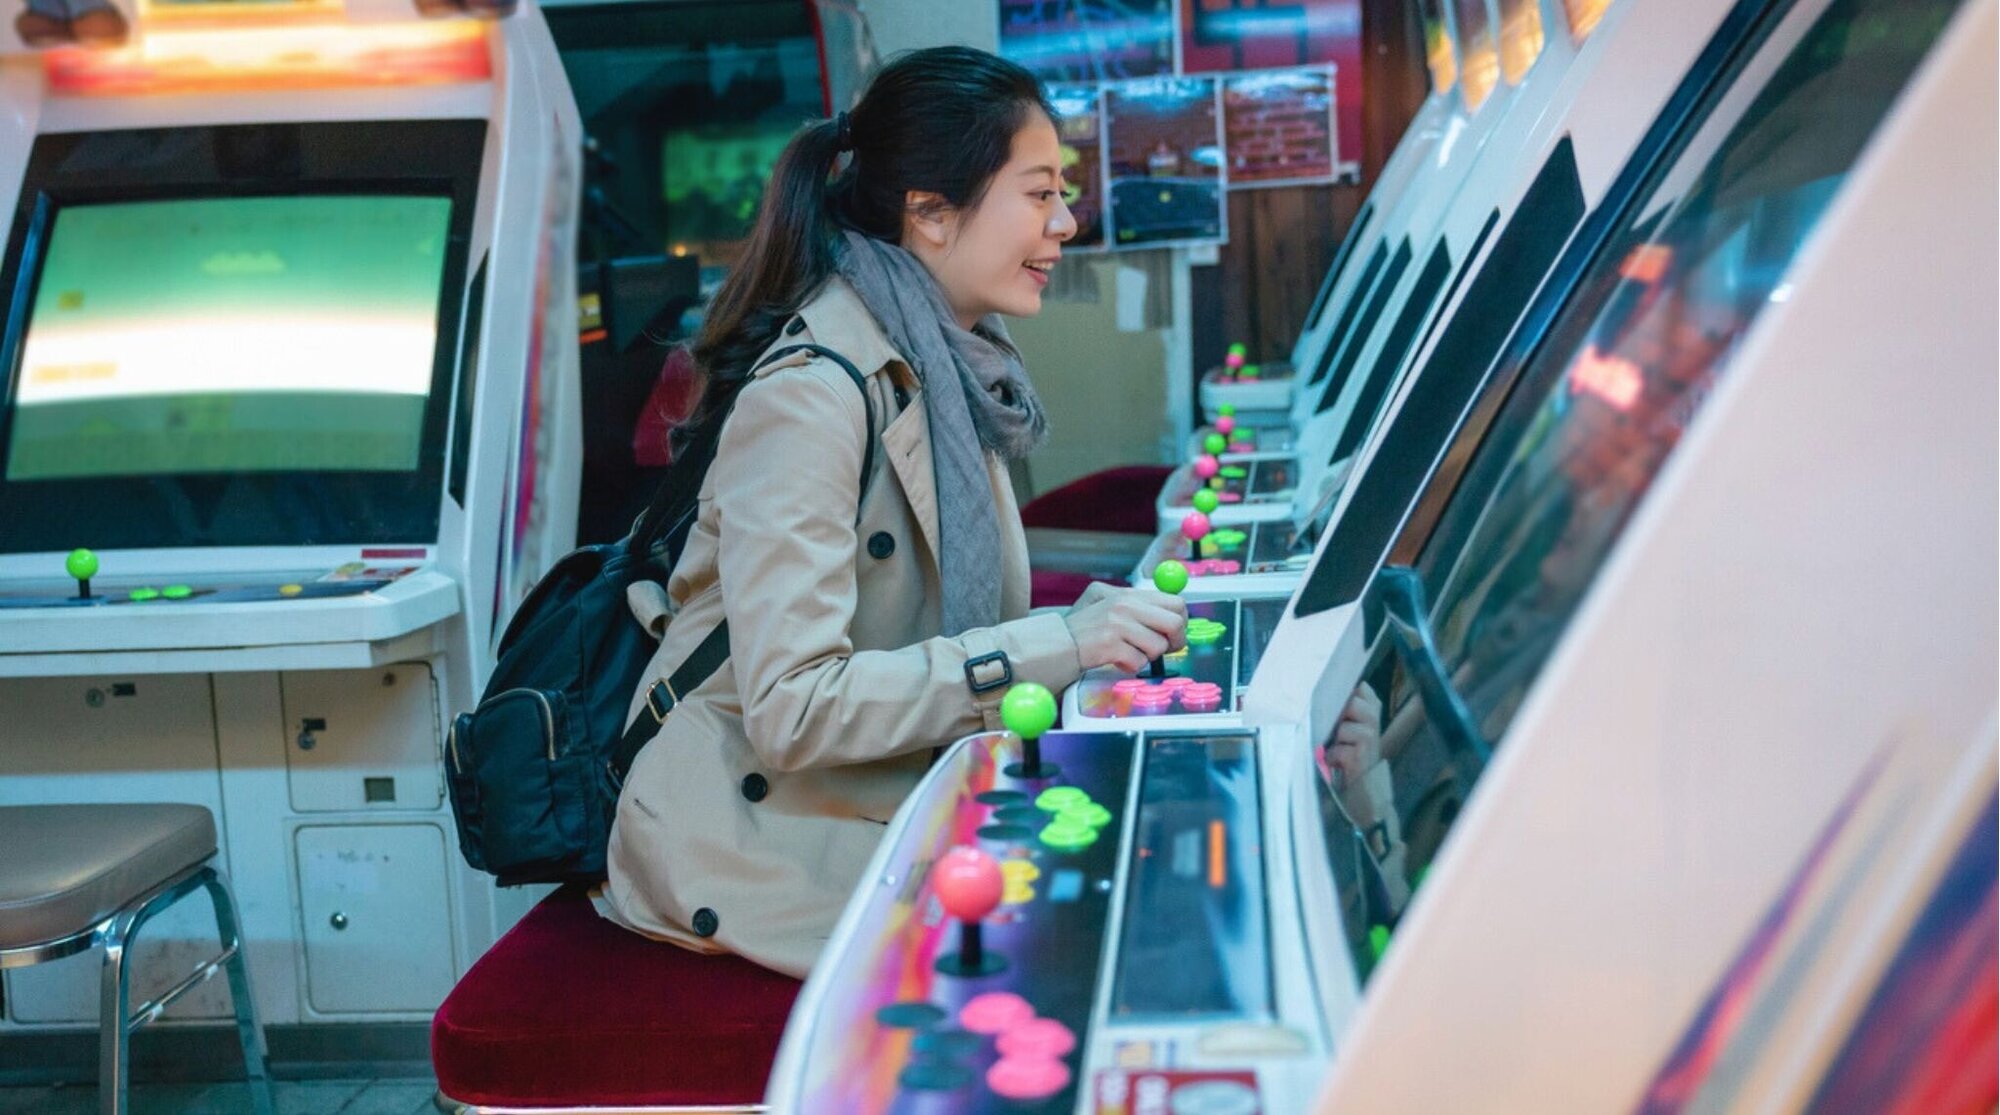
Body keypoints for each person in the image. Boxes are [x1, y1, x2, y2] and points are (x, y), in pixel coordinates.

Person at [597, 46, 1189, 978]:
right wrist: (1065, 642)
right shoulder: (814, 395)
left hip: (861, 787)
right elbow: (793, 711)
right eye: (1039, 194)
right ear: (930, 212)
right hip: (747, 831)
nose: (1068, 222)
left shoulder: (942, 360)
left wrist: (1077, 637)